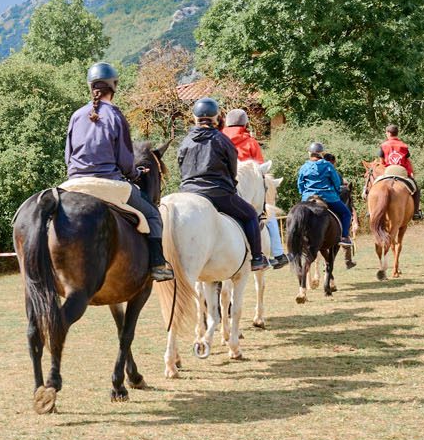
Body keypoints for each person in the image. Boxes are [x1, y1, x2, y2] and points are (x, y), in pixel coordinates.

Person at [65, 62, 173, 281]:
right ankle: (158, 266)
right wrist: (134, 174)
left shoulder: (77, 115)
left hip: (73, 183)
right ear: (114, 86)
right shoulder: (115, 115)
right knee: (152, 214)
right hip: (108, 184)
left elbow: (68, 154)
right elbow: (125, 158)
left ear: (90, 86)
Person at [176, 98, 270, 271]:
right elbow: (232, 169)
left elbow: (181, 166)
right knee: (250, 214)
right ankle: (257, 257)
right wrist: (231, 184)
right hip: (217, 192)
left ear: (194, 117)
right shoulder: (221, 139)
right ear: (217, 117)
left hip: (188, 192)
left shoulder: (185, 141)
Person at [222, 109, 287, 268]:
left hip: (222, 183)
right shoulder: (250, 142)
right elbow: (259, 168)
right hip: (246, 185)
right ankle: (277, 254)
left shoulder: (219, 138)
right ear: (245, 124)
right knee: (266, 213)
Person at [296, 141, 355, 265]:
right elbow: (336, 182)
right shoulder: (328, 166)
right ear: (321, 154)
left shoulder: (304, 167)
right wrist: (335, 191)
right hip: (328, 197)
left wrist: (304, 194)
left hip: (308, 198)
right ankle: (344, 237)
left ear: (309, 153)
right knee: (346, 214)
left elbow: (300, 184)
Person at [379, 123, 424, 218]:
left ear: (388, 133)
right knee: (416, 189)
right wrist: (410, 173)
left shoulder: (383, 145)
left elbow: (382, 162)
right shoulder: (404, 146)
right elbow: (407, 161)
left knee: (373, 185)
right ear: (397, 133)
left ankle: (371, 210)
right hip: (401, 171)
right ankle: (416, 212)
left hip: (388, 170)